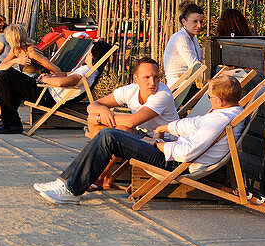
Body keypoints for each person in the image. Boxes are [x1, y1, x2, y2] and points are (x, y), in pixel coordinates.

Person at [35, 74, 245, 204]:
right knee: (110, 134)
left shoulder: (217, 121)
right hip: (171, 150)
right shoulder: (227, 114)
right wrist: (167, 126)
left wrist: (158, 143)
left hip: (172, 161)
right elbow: (193, 124)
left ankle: (71, 190)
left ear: (218, 100)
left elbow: (186, 152)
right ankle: (65, 182)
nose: (208, 99)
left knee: (109, 136)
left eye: (209, 97)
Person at [0, 25, 77, 134]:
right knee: (3, 74)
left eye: (7, 37)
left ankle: (10, 122)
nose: (5, 39)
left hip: (39, 87)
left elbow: (57, 70)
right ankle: (8, 121)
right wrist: (16, 61)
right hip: (28, 83)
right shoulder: (15, 50)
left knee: (5, 77)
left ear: (11, 38)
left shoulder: (32, 52)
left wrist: (47, 78)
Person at [86, 57, 180, 134]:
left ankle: (100, 155)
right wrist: (103, 110)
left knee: (119, 130)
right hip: (142, 135)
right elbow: (93, 105)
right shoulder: (130, 90)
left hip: (164, 141)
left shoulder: (162, 95)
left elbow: (131, 122)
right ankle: (101, 155)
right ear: (136, 78)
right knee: (94, 123)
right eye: (147, 77)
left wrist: (99, 118)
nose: (152, 83)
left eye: (155, 77)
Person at [163, 0, 204, 86]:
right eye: (195, 21)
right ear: (184, 22)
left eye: (201, 21)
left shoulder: (194, 39)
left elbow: (200, 63)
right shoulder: (180, 37)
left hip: (189, 83)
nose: (199, 25)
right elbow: (195, 67)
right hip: (178, 86)